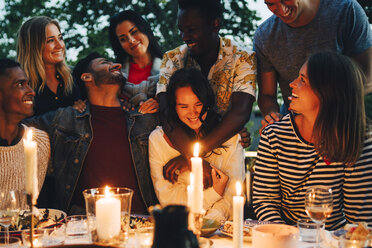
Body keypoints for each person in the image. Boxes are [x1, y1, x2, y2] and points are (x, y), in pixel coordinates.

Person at [23, 53, 158, 214]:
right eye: (104, 62)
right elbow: (16, 127)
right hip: (82, 225)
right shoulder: (65, 119)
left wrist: (160, 103)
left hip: (140, 224)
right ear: (87, 77)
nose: (118, 65)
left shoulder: (144, 117)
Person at [253, 52, 372, 230]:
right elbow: (265, 201)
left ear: (327, 93)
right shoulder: (274, 135)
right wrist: (283, 235)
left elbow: (360, 221)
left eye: (303, 80)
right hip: (283, 237)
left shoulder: (357, 141)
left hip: (332, 239)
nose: (292, 84)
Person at [156, 0, 256, 185]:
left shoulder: (242, 57)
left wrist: (193, 156)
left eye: (191, 29)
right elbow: (165, 112)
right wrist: (193, 159)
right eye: (181, 30)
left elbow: (240, 113)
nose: (184, 36)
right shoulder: (172, 58)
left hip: (225, 151)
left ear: (214, 24)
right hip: (175, 149)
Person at [255, 0, 372, 131]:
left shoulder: (346, 10)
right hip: (294, 127)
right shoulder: (264, 36)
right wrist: (273, 117)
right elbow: (267, 95)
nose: (281, 10)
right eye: (270, 4)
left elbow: (367, 78)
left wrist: (320, 105)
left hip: (343, 123)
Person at [149, 68, 245, 222]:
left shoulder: (230, 138)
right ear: (173, 106)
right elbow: (169, 200)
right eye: (183, 106)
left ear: (207, 102)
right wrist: (215, 192)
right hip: (179, 230)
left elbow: (232, 198)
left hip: (221, 231)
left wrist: (208, 223)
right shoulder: (158, 140)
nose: (193, 113)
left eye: (198, 104)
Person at [0, 59, 50, 208]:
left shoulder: (39, 142)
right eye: (20, 84)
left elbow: (28, 210)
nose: (31, 92)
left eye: (28, 84)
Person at [17, 16, 84, 116]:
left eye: (60, 38)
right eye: (51, 40)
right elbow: (22, 125)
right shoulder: (20, 87)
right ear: (34, 47)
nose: (60, 45)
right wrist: (66, 115)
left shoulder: (76, 76)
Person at [109, 10, 162, 114]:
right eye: (123, 39)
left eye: (134, 32)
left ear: (145, 30)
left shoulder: (169, 67)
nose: (131, 40)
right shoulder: (115, 76)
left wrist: (162, 102)